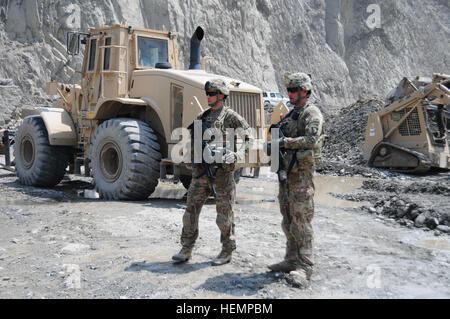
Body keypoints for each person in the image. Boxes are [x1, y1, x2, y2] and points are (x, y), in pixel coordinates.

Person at [172, 78, 250, 266]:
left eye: (212, 93)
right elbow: (192, 139)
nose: (208, 96)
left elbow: (248, 137)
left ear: (222, 95)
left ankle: (226, 250)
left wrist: (236, 154)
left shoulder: (231, 117)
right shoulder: (202, 117)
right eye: (207, 93)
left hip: (222, 174)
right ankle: (186, 248)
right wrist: (190, 154)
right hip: (201, 174)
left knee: (224, 216)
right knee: (190, 212)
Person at [268, 72, 325, 284]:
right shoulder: (292, 115)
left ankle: (305, 265)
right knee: (288, 219)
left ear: (305, 92)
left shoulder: (311, 113)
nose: (290, 94)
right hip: (286, 175)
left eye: (294, 90)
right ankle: (291, 259)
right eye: (289, 90)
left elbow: (311, 139)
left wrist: (283, 143)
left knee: (302, 221)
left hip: (301, 176)